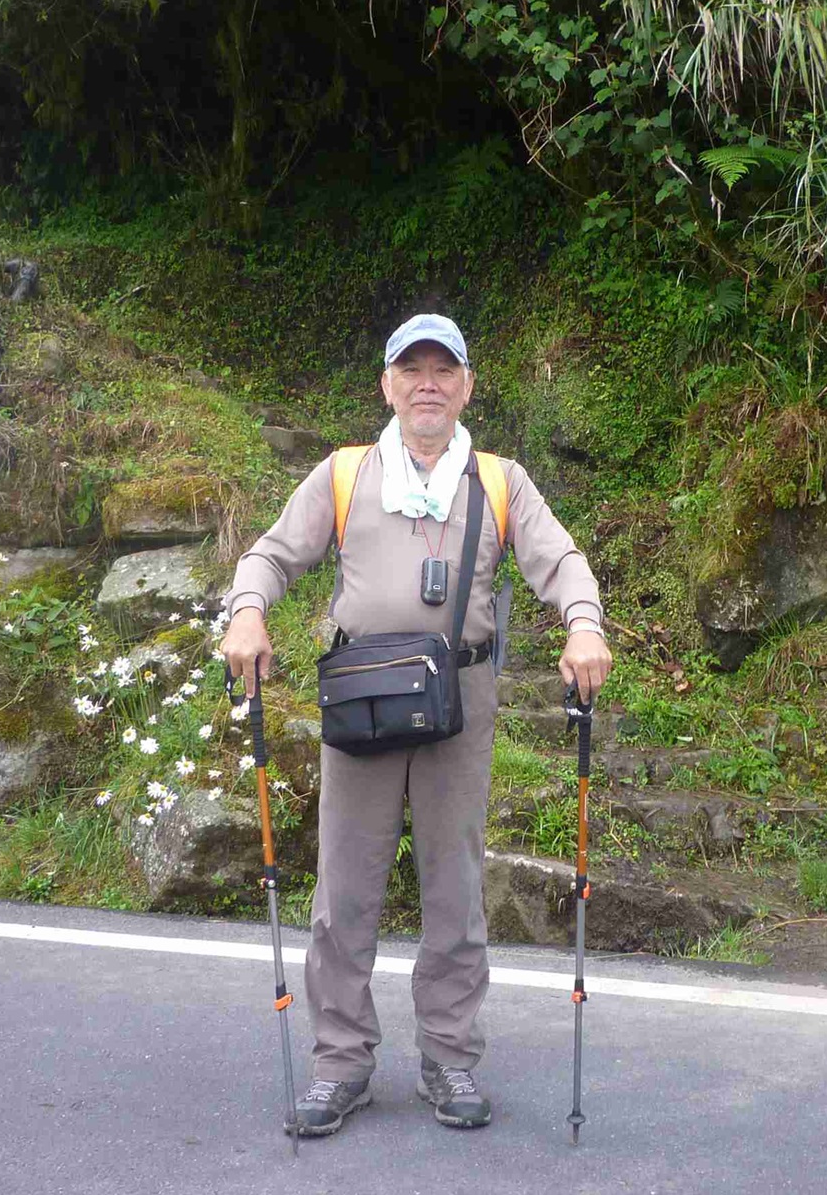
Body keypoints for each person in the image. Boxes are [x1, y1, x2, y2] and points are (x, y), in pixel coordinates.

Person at [219, 313, 611, 1135]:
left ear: (467, 387)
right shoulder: (344, 474)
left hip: (458, 702)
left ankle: (449, 1057)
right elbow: (270, 555)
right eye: (412, 369)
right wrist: (248, 611)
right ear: (388, 385)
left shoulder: (499, 481)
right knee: (344, 889)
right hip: (360, 695)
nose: (427, 384)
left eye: (444, 370)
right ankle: (340, 1064)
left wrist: (584, 623)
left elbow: (562, 560)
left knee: (454, 888)